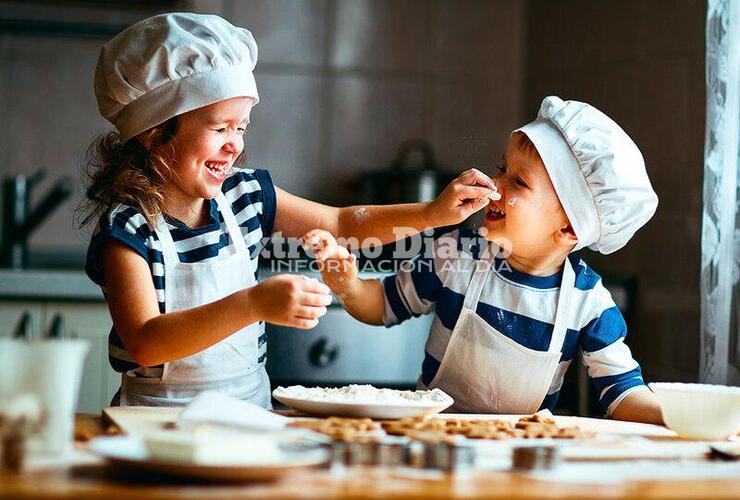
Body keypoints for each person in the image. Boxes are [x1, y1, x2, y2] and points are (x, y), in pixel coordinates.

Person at [82, 13, 496, 408]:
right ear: (155, 132)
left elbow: (341, 223)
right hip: (153, 426)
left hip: (248, 416)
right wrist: (252, 304)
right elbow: (143, 341)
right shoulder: (128, 229)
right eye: (220, 127)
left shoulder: (246, 195)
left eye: (241, 128)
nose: (235, 145)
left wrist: (433, 214)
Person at [305, 96, 664, 423]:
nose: (495, 185)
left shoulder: (589, 303)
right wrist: (348, 285)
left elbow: (623, 393)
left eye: (518, 182)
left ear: (569, 228)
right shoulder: (455, 254)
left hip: (519, 457)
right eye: (501, 168)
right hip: (431, 441)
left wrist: (677, 416)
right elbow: (382, 305)